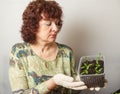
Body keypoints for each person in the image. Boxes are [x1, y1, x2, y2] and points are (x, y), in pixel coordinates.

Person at [8, 0, 101, 94]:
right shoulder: (19, 52)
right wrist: (53, 82)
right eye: (48, 24)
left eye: (57, 23)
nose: (55, 29)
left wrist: (88, 82)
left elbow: (71, 90)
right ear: (33, 26)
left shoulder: (66, 52)